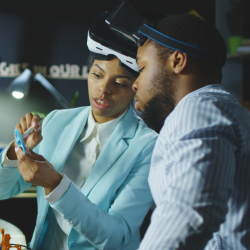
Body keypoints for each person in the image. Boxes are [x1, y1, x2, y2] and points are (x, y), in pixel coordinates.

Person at [0, 14, 157, 250]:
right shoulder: (56, 122)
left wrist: (55, 184)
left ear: (135, 87)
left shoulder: (147, 146)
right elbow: (3, 190)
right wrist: (16, 151)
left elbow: (117, 238)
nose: (103, 90)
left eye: (120, 83)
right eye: (97, 75)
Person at [105, 3, 250, 249]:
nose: (135, 84)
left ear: (178, 61)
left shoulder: (199, 108)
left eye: (142, 68)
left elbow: (188, 216)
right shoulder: (224, 110)